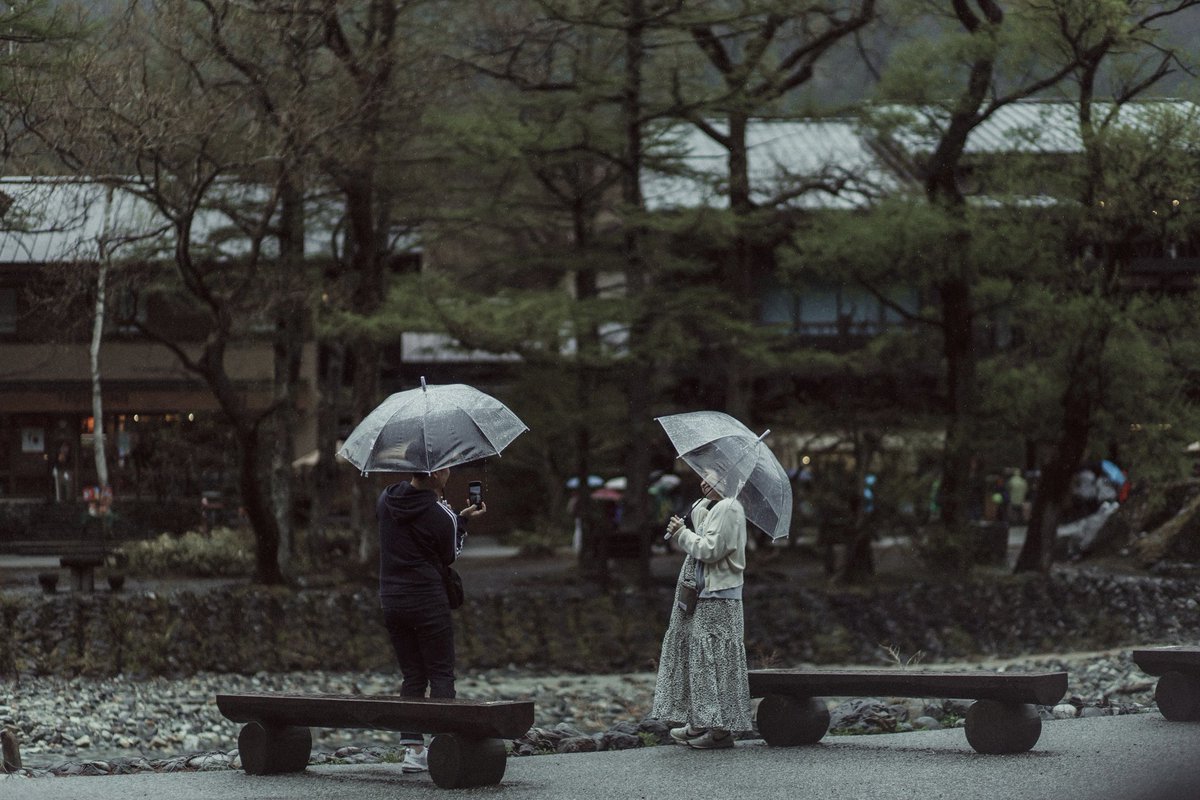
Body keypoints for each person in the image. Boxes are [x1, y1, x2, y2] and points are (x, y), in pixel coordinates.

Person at [377, 467, 486, 773]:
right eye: (446, 468)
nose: (449, 471)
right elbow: (450, 554)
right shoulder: (439, 512)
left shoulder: (386, 498)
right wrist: (460, 522)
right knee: (440, 673)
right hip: (427, 600)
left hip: (392, 599)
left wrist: (454, 518)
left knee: (412, 674)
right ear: (436, 474)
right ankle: (442, 748)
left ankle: (413, 751)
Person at [650, 472, 752, 750]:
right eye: (703, 477)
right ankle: (700, 721)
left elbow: (710, 550)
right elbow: (707, 534)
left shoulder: (729, 508)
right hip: (703, 593)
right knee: (700, 658)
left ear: (727, 482)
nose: (704, 482)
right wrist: (696, 513)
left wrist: (682, 534)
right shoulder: (714, 506)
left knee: (713, 659)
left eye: (712, 478)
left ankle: (719, 731)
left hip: (717, 596)